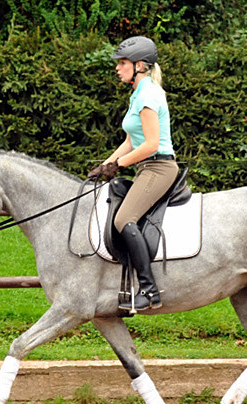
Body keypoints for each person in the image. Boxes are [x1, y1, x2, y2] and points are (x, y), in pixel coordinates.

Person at [89, 36, 178, 312]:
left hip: (159, 167)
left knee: (124, 218)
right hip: (146, 166)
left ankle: (150, 290)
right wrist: (106, 164)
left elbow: (151, 143)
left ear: (139, 65)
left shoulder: (149, 94)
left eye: (123, 63)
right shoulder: (138, 93)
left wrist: (121, 164)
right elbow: (131, 140)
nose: (118, 68)